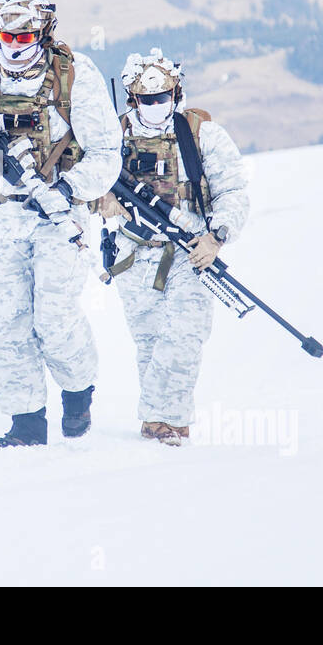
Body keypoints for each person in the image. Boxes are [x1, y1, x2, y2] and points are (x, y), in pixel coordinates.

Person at [0, 0, 121, 446]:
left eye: (25, 36)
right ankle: (26, 422)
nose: (15, 46)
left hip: (59, 213)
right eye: (7, 37)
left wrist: (66, 188)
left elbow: (107, 152)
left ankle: (77, 392)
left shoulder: (76, 79)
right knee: (6, 321)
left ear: (43, 33)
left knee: (53, 319)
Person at [95, 49, 250, 445]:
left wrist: (216, 238)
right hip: (135, 254)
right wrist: (101, 201)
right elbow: (83, 181)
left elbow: (233, 190)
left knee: (184, 335)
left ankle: (164, 418)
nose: (155, 106)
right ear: (132, 99)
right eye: (147, 100)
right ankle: (161, 427)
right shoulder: (109, 138)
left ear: (175, 94)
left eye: (162, 98)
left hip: (189, 251)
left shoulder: (202, 135)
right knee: (149, 343)